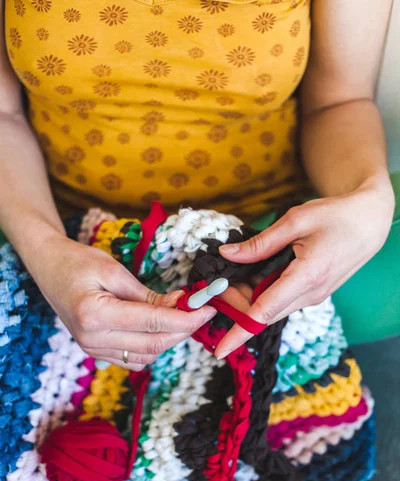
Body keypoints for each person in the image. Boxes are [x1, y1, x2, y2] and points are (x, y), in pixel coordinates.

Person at [0, 0, 395, 368]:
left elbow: (339, 101)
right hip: (52, 229)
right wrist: (46, 250)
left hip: (267, 240)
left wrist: (369, 197)